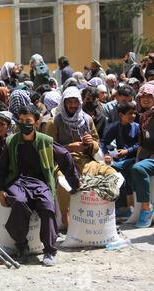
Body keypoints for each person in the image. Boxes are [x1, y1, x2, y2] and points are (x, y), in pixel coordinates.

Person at [0, 104, 80, 266]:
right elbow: (1, 168)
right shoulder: (11, 142)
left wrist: (75, 184)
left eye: (28, 120)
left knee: (47, 206)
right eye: (21, 120)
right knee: (18, 202)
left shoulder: (46, 141)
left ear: (37, 122)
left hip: (40, 183)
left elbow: (66, 157)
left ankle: (49, 250)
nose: (25, 123)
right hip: (18, 182)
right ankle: (21, 246)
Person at [46, 86, 116, 226]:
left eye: (75, 102)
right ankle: (66, 217)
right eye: (69, 102)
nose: (72, 105)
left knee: (111, 173)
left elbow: (97, 143)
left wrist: (90, 143)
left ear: (79, 102)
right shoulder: (54, 122)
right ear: (64, 103)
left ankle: (104, 214)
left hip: (86, 161)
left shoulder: (87, 119)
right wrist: (69, 147)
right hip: (63, 162)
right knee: (62, 181)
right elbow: (48, 148)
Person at [100, 101, 139, 219]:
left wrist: (128, 151)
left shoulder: (137, 127)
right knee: (113, 172)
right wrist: (106, 154)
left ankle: (130, 206)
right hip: (120, 160)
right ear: (121, 115)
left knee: (127, 172)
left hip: (134, 159)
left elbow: (140, 144)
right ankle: (122, 207)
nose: (133, 116)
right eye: (130, 113)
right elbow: (104, 142)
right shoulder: (115, 127)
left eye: (134, 113)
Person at [131, 83, 154, 228]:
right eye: (143, 96)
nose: (146, 99)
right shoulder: (143, 116)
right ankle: (126, 209)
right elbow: (142, 142)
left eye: (150, 96)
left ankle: (146, 208)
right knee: (118, 167)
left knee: (138, 169)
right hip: (147, 156)